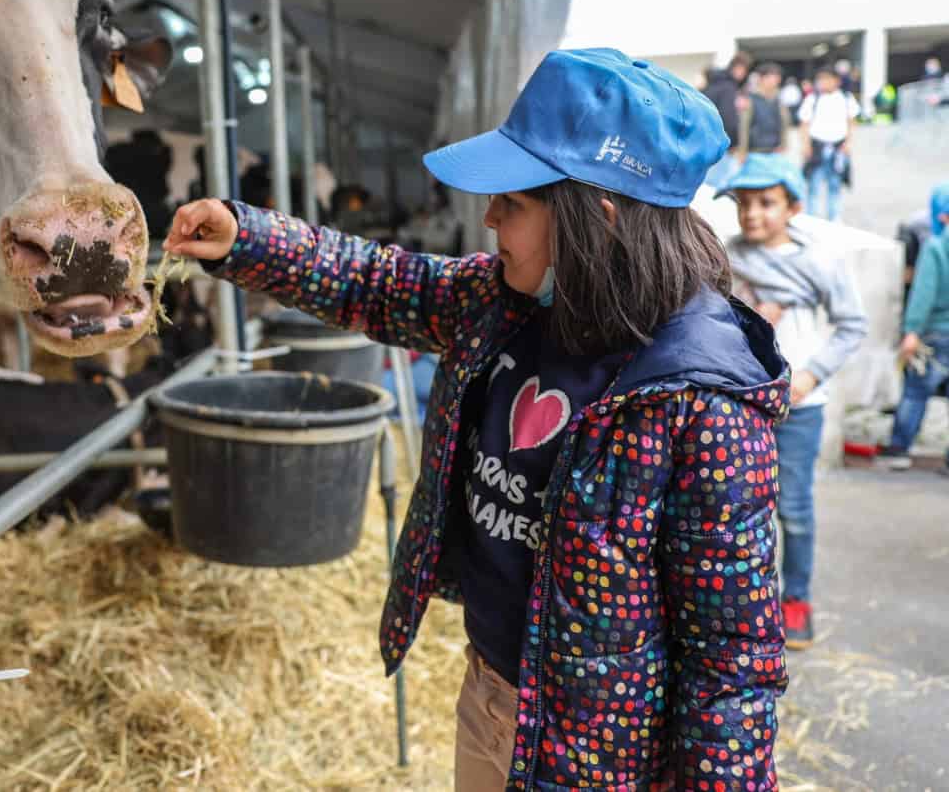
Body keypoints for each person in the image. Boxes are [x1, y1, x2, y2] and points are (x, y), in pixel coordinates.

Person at [165, 48, 789, 791]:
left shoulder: (701, 403)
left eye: (513, 203)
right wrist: (249, 238)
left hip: (601, 763)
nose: (488, 216)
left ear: (603, 219)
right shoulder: (504, 305)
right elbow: (378, 281)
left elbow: (732, 658)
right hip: (489, 697)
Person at [719, 154, 867, 649]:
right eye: (743, 202)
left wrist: (809, 375)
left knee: (795, 508)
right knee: (735, 505)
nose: (752, 213)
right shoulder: (725, 257)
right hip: (740, 403)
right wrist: (749, 315)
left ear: (794, 206)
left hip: (798, 407)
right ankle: (742, 598)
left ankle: (795, 597)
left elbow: (853, 326)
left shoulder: (819, 261)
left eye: (766, 202)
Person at [879, 183, 949, 471]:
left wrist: (911, 331)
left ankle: (899, 448)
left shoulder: (937, 246)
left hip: (934, 334)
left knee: (915, 391)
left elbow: (924, 292)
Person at [798, 64, 860, 220]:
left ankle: (834, 221)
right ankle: (812, 221)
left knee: (835, 187)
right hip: (817, 148)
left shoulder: (846, 98)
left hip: (838, 149)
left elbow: (851, 122)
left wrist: (848, 143)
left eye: (826, 79)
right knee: (814, 187)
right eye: (820, 79)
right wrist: (805, 146)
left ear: (836, 81)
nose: (823, 83)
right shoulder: (813, 99)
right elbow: (804, 124)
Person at [702, 51, 753, 187]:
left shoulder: (712, 84)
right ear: (737, 68)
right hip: (722, 144)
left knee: (707, 184)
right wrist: (733, 143)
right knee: (721, 184)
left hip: (706, 141)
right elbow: (729, 118)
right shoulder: (728, 87)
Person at [736, 62, 789, 161]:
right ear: (761, 78)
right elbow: (744, 126)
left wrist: (784, 144)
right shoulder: (751, 99)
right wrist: (742, 151)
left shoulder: (779, 100)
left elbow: (784, 123)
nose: (774, 81)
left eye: (777, 78)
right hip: (755, 152)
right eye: (770, 77)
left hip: (775, 151)